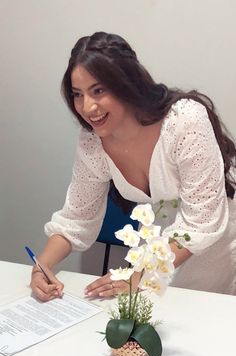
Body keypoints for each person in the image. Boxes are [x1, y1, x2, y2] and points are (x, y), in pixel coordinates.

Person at [30, 31, 236, 301]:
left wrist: (139, 275)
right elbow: (77, 217)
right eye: (77, 94)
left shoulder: (184, 120)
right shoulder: (93, 142)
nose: (87, 107)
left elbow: (201, 222)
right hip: (167, 237)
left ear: (126, 83)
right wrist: (41, 267)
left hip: (220, 232)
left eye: (99, 90)